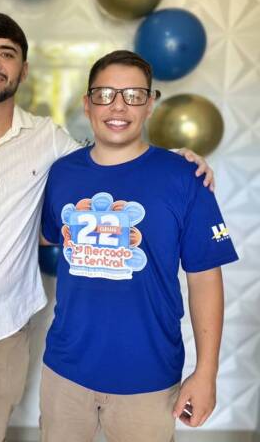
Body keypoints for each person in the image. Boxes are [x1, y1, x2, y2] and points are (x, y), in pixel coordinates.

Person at [0, 13, 214, 442]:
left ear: (23, 69)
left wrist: (177, 159)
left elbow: (110, 156)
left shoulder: (49, 139)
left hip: (6, 327)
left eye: (6, 54)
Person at [40, 50, 238, 442]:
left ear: (150, 105)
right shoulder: (61, 174)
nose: (118, 106)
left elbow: (205, 280)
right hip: (65, 373)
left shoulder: (185, 178)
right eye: (105, 94)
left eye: (133, 95)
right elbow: (41, 235)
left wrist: (206, 373)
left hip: (149, 379)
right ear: (87, 103)